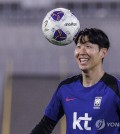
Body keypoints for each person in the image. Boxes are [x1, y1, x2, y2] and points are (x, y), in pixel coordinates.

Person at [30, 28, 120, 134]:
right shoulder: (65, 88)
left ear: (103, 52)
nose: (81, 52)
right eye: (78, 47)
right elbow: (45, 126)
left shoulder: (115, 88)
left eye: (88, 46)